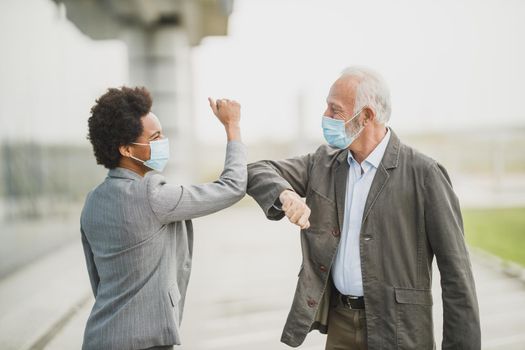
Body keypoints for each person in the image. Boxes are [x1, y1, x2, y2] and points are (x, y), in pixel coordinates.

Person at [247, 66, 480, 349]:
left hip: (400, 331)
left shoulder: (425, 174)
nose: (325, 117)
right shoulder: (324, 162)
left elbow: (458, 277)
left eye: (335, 110)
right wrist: (286, 194)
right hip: (340, 324)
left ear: (366, 116)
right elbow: (257, 170)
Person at [80, 86, 246, 350]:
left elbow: (97, 280)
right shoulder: (153, 196)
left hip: (100, 338)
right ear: (126, 149)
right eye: (155, 137)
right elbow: (231, 187)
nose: (163, 142)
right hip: (144, 342)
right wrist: (232, 127)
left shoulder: (92, 201)